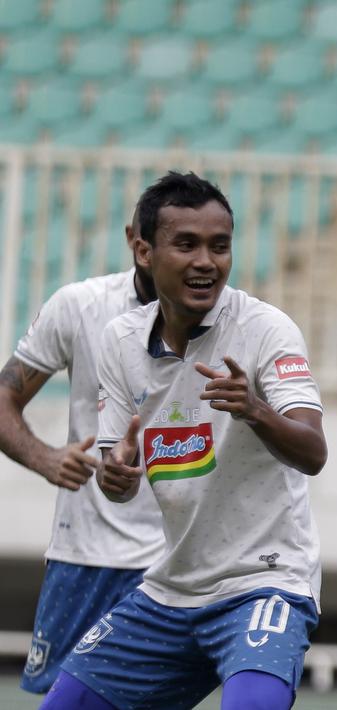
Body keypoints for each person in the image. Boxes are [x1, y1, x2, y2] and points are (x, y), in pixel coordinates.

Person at [39, 171, 328, 710]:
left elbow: (314, 452)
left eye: (220, 247)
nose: (207, 262)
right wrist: (114, 476)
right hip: (171, 588)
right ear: (144, 251)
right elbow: (117, 477)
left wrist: (256, 410)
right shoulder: (120, 341)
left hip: (265, 581)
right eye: (187, 244)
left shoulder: (267, 330)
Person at [0, 211, 165, 694]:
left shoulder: (233, 322)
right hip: (85, 555)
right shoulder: (81, 306)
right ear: (136, 243)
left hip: (175, 559)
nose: (198, 261)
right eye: (180, 243)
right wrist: (46, 458)